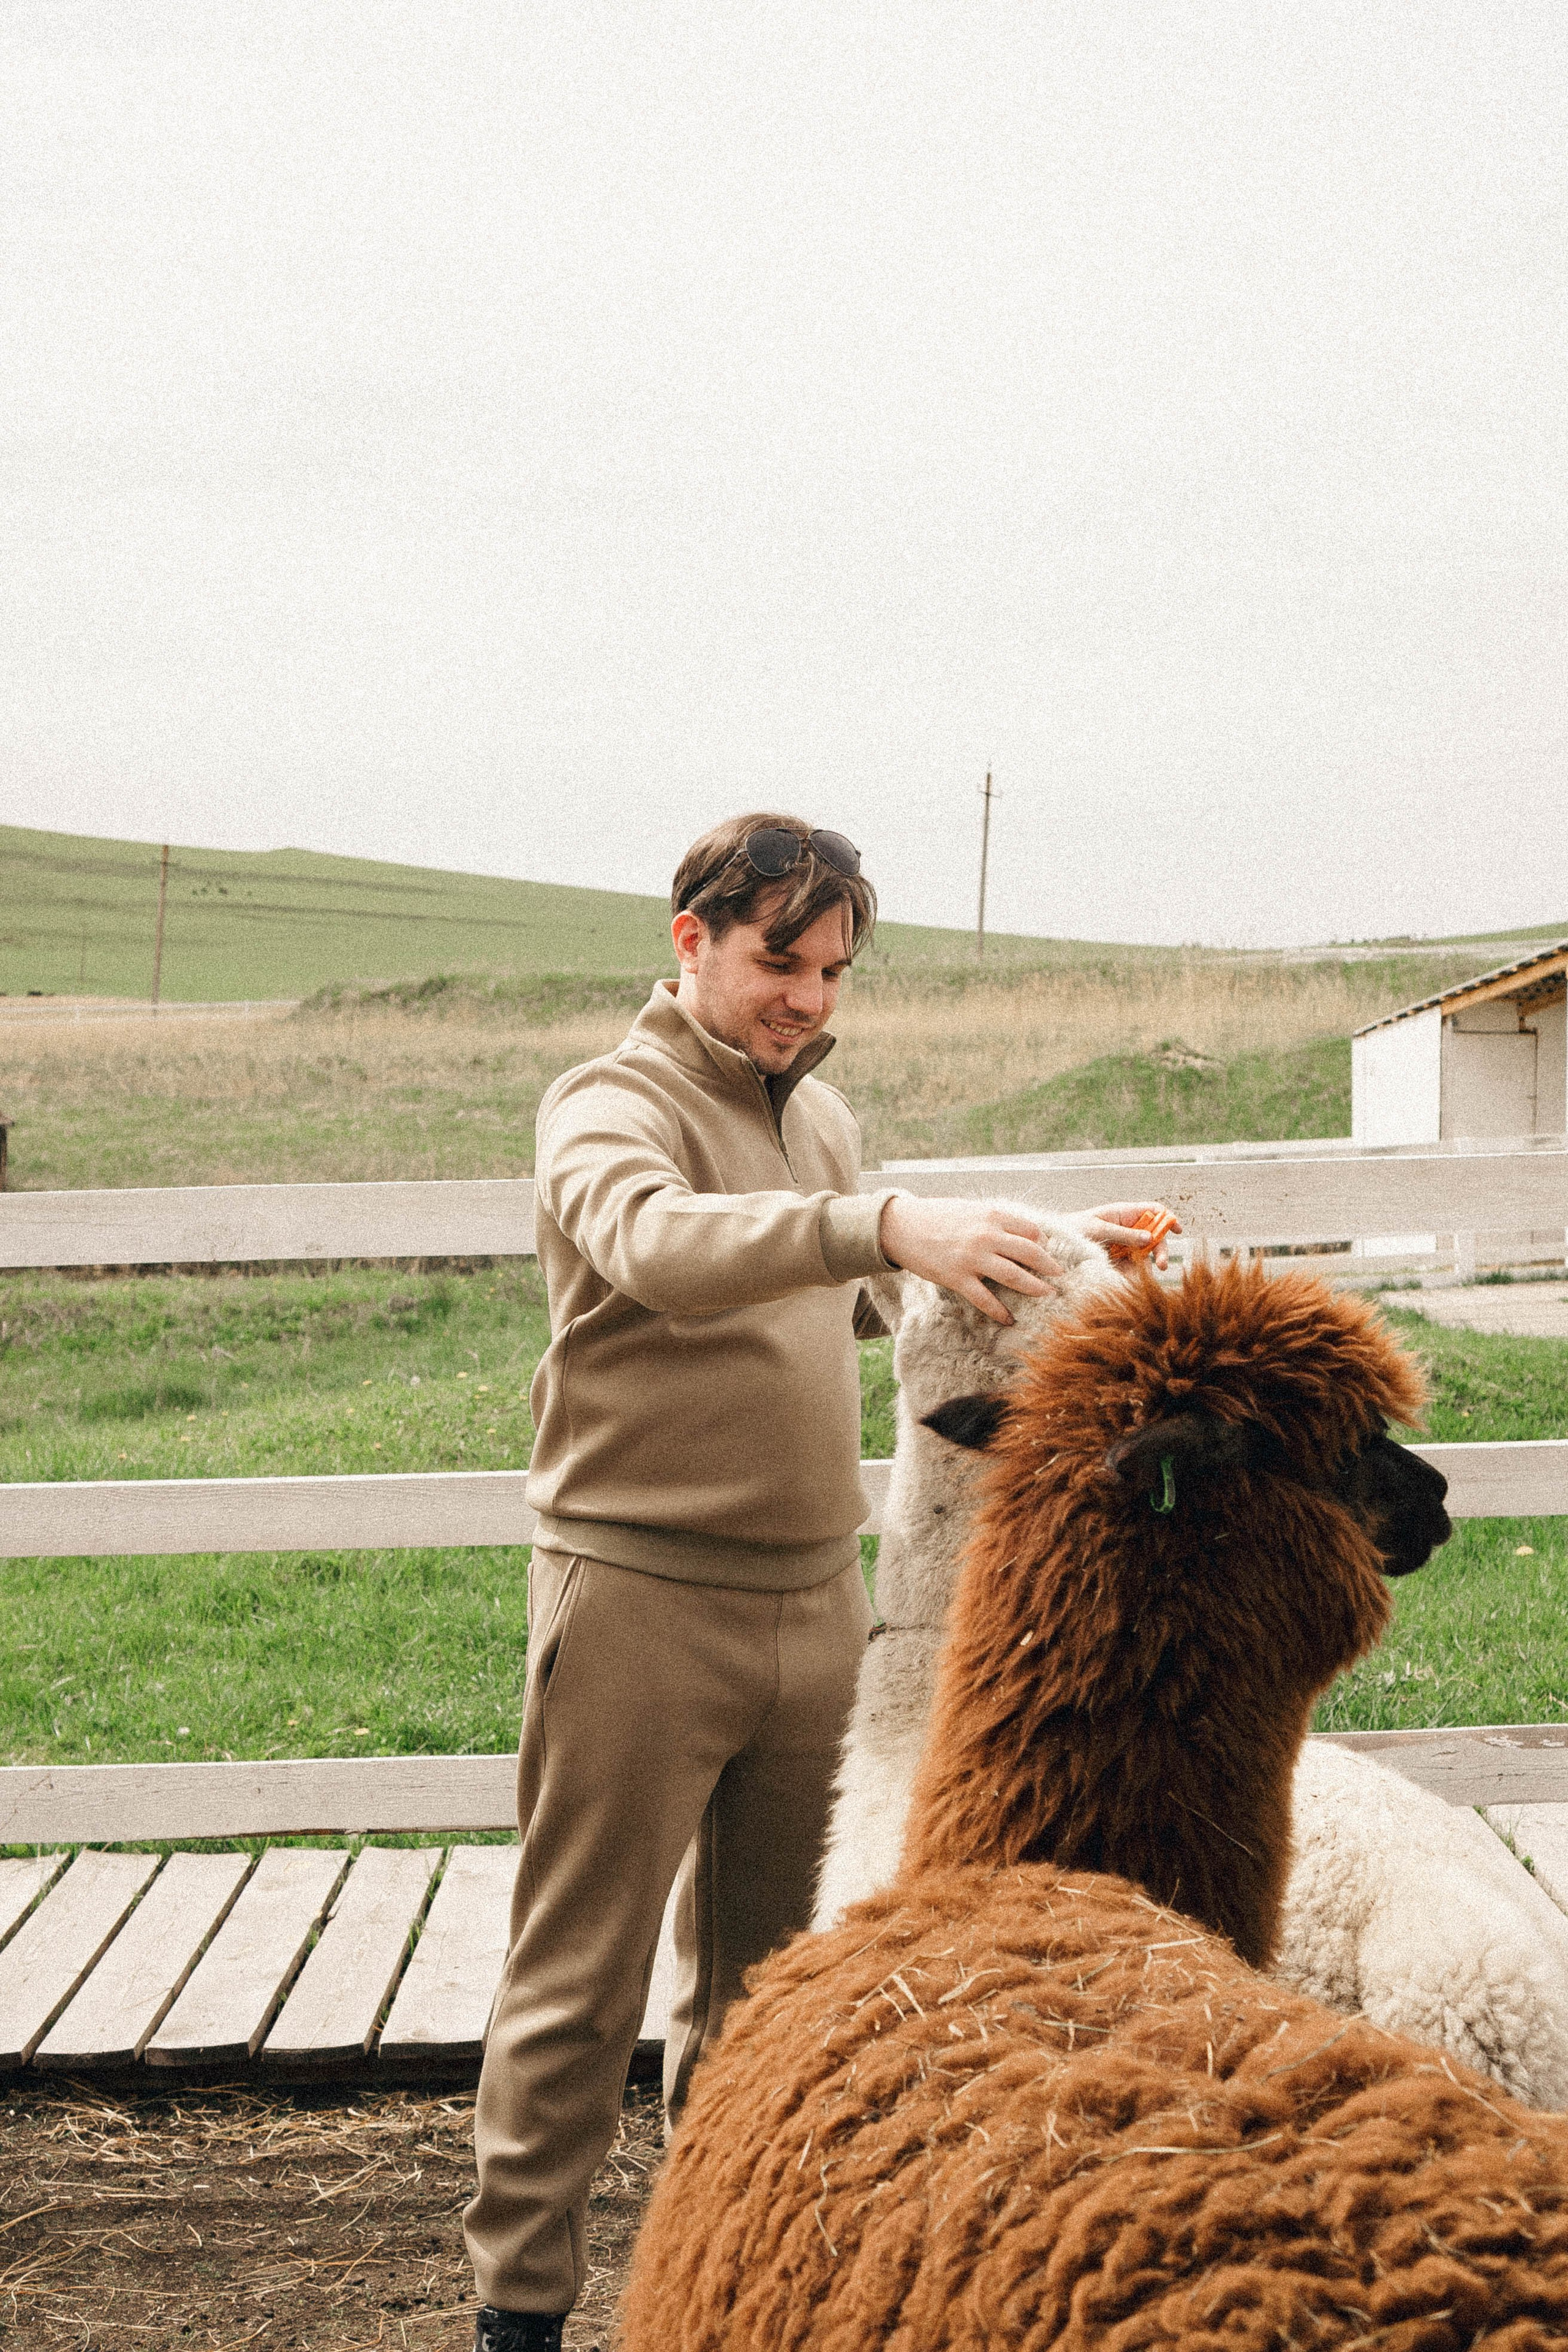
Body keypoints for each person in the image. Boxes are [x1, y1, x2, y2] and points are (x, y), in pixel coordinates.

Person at [462, 813, 1174, 2351]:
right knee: (576, 1986)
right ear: (692, 940)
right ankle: (519, 2315)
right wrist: (881, 1221)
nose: (806, 996)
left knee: (779, 1988)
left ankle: (720, 2288)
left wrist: (1053, 1249)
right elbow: (657, 1246)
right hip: (638, 1601)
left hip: (815, 1604)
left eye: (831, 968)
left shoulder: (823, 1121)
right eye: (779, 959)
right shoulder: (605, 1107)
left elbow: (861, 1291)